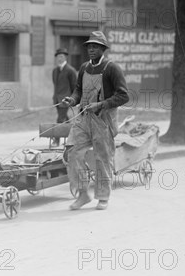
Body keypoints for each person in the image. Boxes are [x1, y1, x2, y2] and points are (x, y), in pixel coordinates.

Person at [62, 31, 129, 211]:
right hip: (83, 119)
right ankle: (83, 194)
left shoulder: (112, 68)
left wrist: (101, 104)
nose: (91, 49)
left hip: (103, 120)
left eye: (95, 47)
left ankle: (103, 196)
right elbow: (78, 90)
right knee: (72, 152)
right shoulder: (84, 68)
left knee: (102, 158)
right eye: (89, 46)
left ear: (103, 49)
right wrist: (72, 99)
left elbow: (124, 96)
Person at [51, 47, 78, 146]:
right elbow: (55, 85)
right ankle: (73, 138)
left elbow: (74, 86)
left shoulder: (71, 70)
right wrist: (55, 98)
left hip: (66, 100)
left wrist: (73, 99)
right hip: (57, 99)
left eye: (61, 56)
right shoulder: (55, 70)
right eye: (58, 56)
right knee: (65, 119)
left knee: (60, 119)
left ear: (66, 57)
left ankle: (56, 140)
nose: (59, 59)